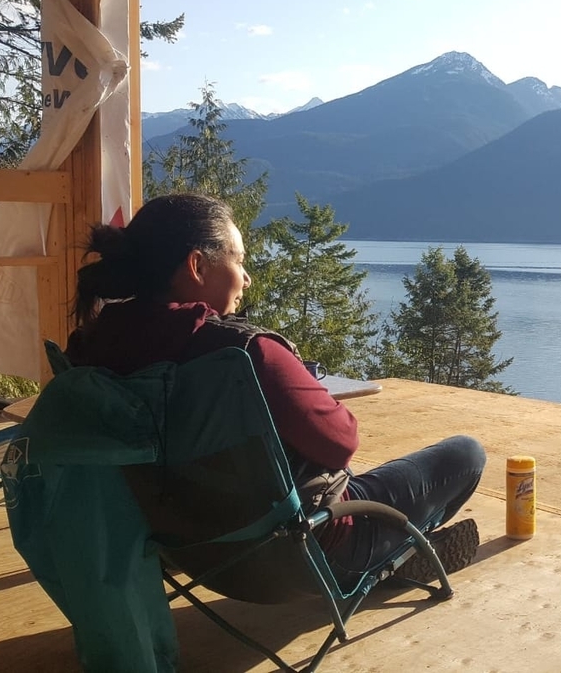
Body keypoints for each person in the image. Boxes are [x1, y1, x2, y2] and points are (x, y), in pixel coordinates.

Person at [65, 192, 485, 582]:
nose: (245, 279)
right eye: (238, 261)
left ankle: (399, 554)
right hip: (297, 551)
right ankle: (392, 558)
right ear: (198, 265)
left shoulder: (92, 346)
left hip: (187, 547)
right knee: (465, 454)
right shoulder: (244, 353)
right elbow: (341, 441)